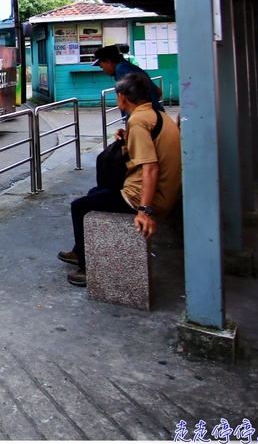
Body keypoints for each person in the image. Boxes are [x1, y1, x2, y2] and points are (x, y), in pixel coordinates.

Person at [58, 71, 181, 287]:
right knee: (94, 195)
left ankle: (89, 268)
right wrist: (126, 137)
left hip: (144, 198)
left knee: (79, 206)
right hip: (166, 191)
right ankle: (80, 251)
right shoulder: (158, 115)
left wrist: (145, 210)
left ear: (122, 97)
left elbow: (150, 168)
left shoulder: (139, 122)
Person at [92, 44, 164, 120]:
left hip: (148, 119)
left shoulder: (122, 70)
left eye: (102, 67)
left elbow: (139, 98)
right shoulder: (127, 67)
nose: (104, 71)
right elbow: (158, 91)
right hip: (156, 116)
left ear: (108, 62)